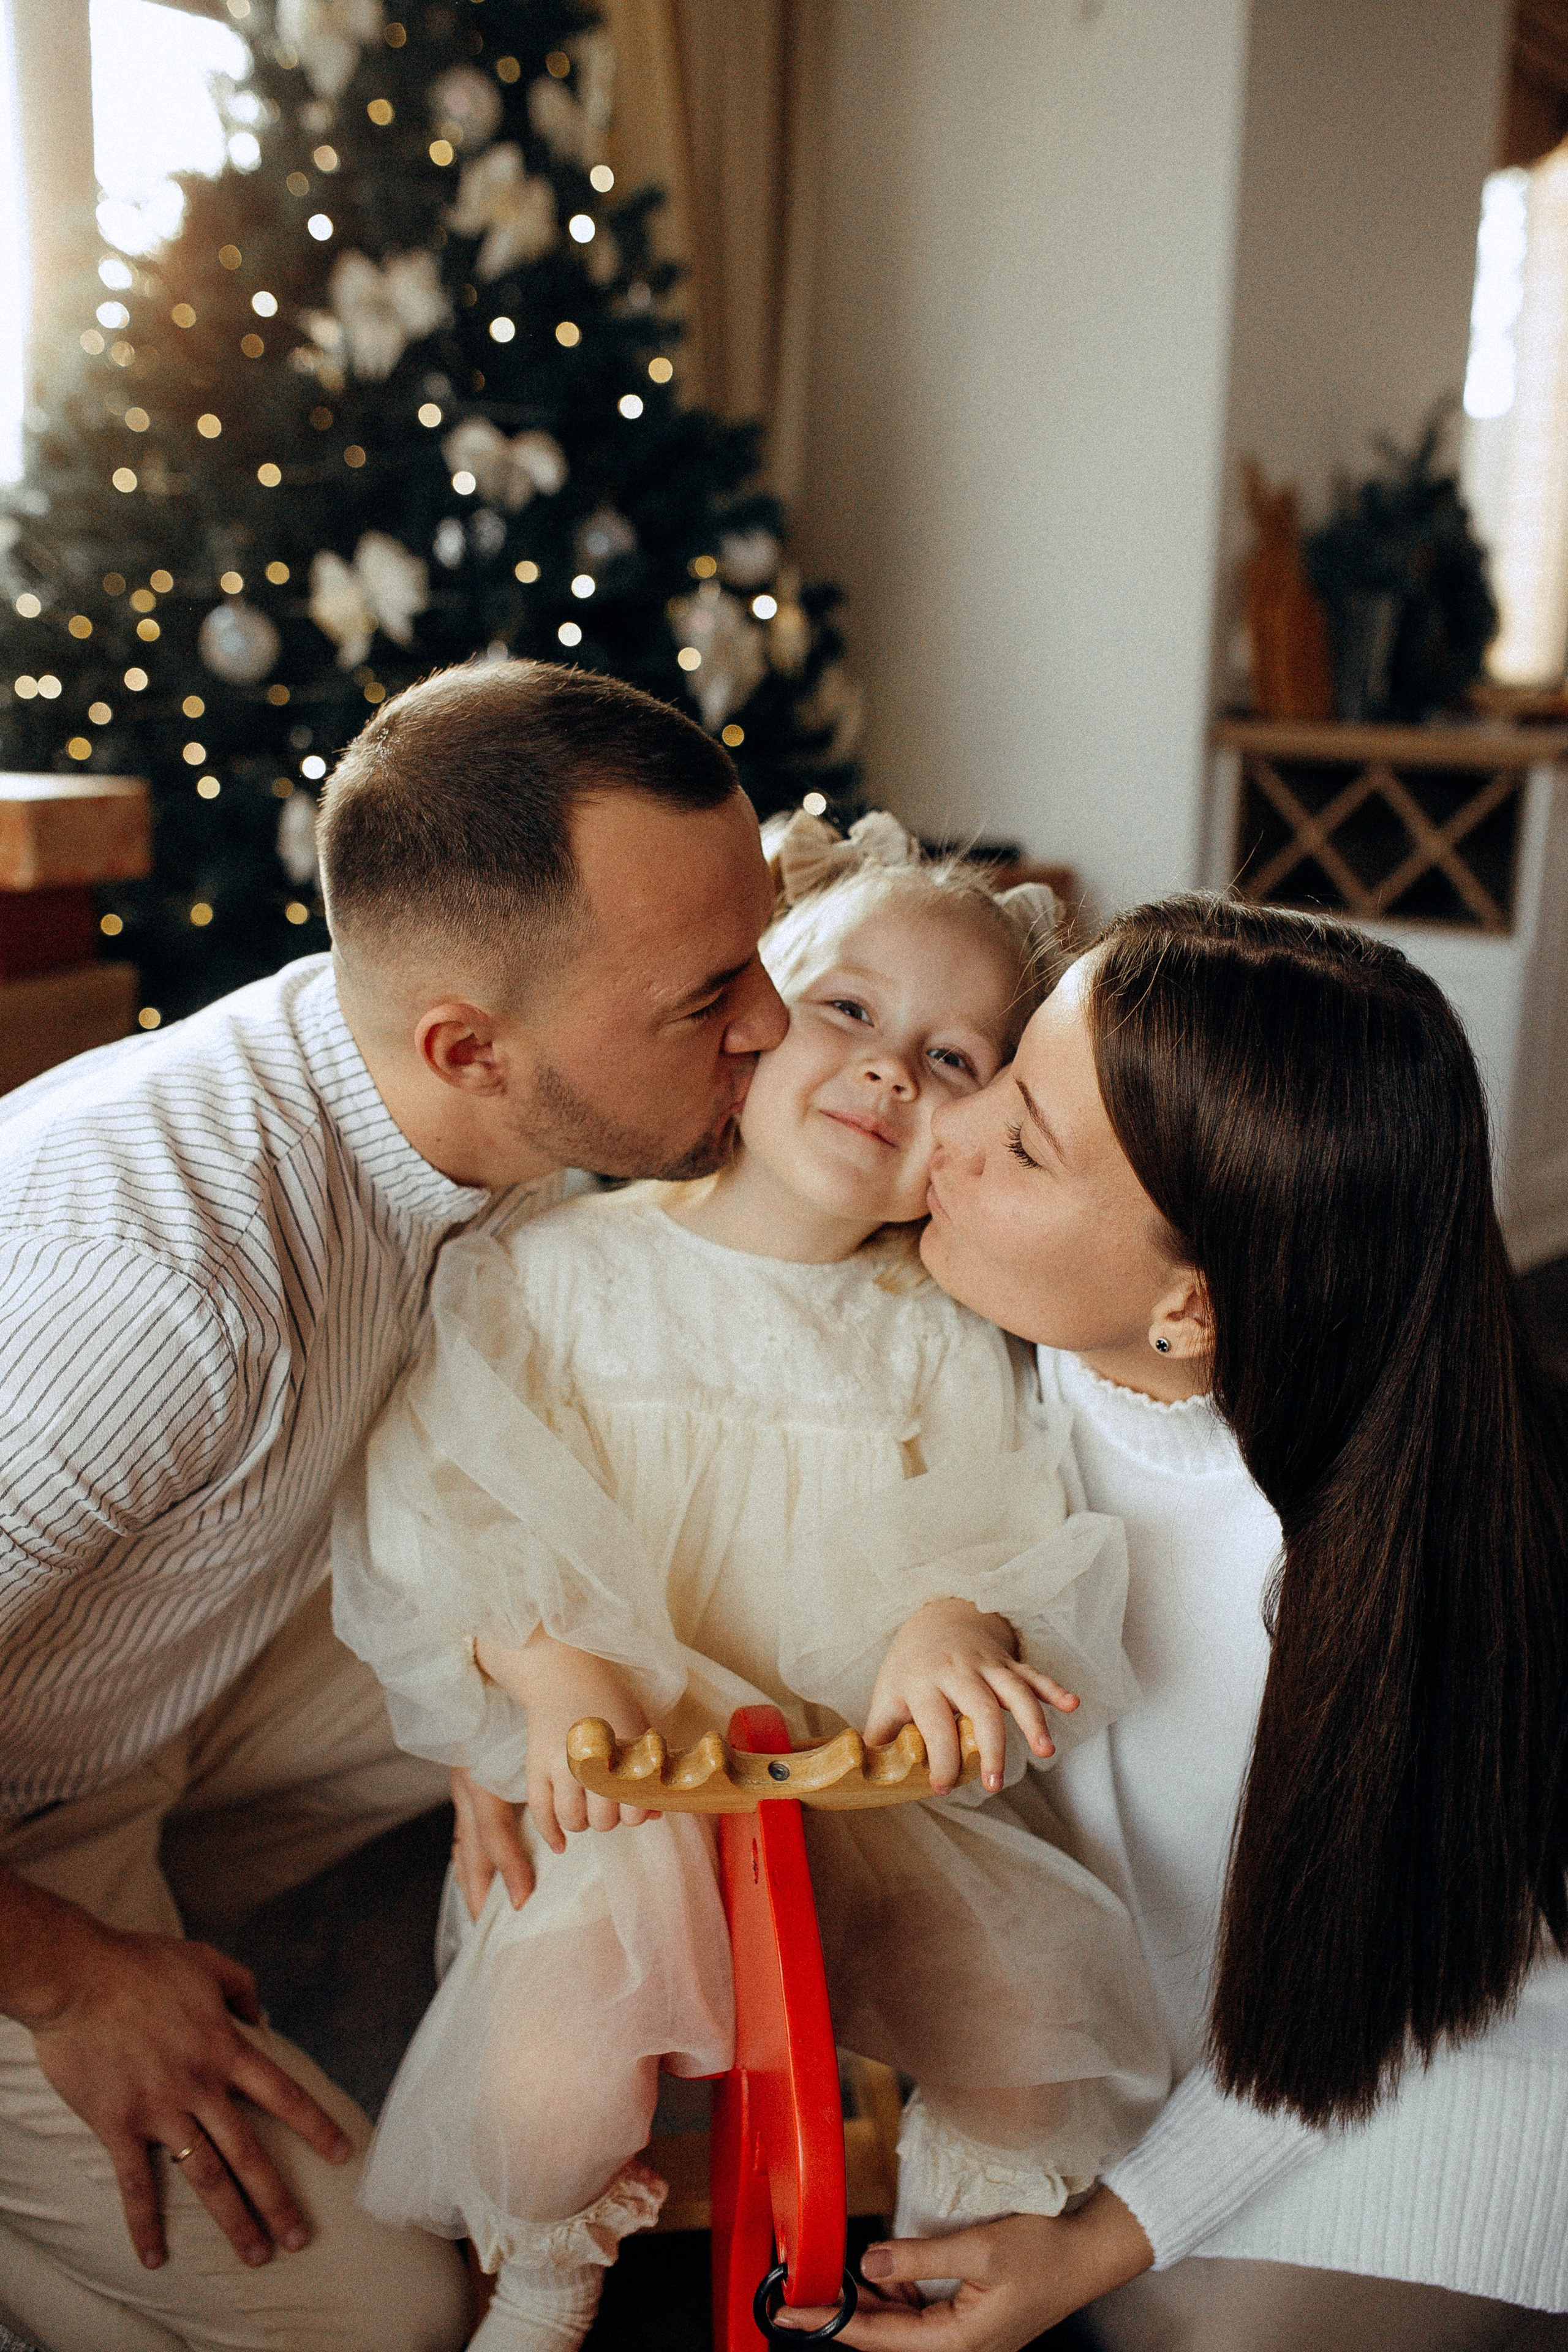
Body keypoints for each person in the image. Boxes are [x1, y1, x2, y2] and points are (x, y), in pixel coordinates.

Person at [0, 659, 788, 2352]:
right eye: (710, 990)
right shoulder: (157, 1288)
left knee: (624, 1638)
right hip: (20, 1854)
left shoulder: (469, 1103)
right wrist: (68, 1973)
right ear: (469, 1049)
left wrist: (477, 1691)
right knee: (382, 2313)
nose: (773, 1025)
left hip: (128, 1717)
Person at [332, 811, 1170, 2352]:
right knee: (570, 2021)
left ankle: (931, 2259)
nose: (885, 1074)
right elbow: (454, 1482)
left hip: (850, 1796)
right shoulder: (561, 1268)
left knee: (1025, 1995)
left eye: (952, 1061)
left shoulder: (932, 1331)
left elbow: (986, 1517)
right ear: (751, 1020)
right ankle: (544, 2277)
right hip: (630, 1780)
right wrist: (543, 1673)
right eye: (847, 1012)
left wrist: (941, 1626)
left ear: (974, 1138)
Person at [785, 894, 1568, 2351]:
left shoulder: (1370, 1572)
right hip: (1125, 2038)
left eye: (1019, 1142)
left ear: (1185, 1310)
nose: (943, 1131)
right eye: (1001, 1070)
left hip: (1397, 2051)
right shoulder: (984, 1346)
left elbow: (1366, 2006)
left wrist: (1102, 2238)